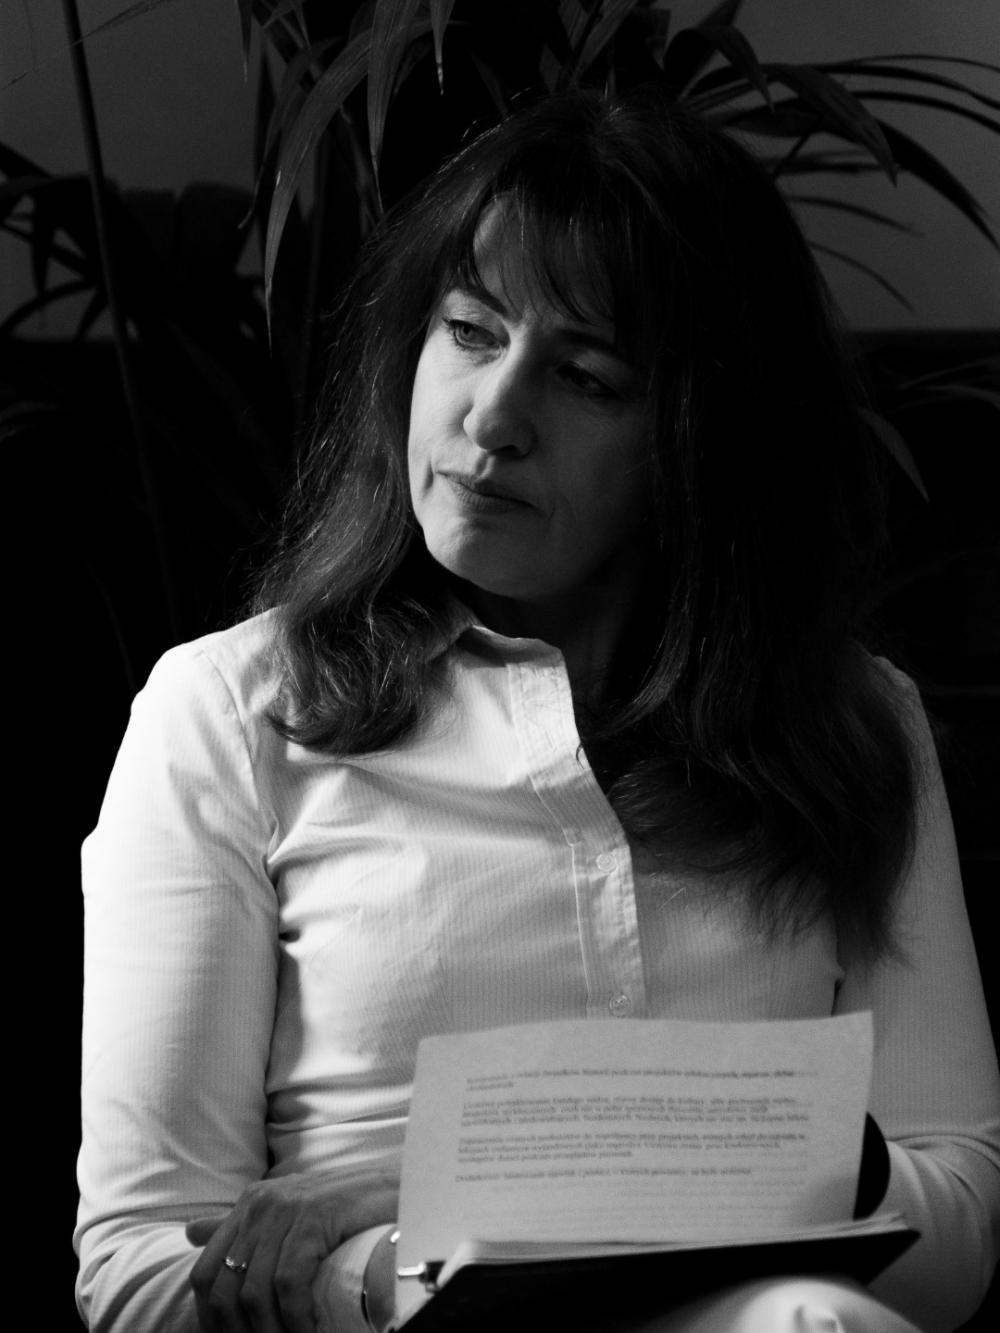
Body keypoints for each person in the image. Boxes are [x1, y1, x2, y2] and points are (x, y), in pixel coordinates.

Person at [75, 86, 999, 1333]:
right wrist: (398, 1269)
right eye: (469, 329)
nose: (493, 415)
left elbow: (951, 1230)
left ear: (699, 438)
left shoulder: (850, 725)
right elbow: (143, 1271)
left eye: (585, 377)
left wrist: (448, 1181)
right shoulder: (230, 714)